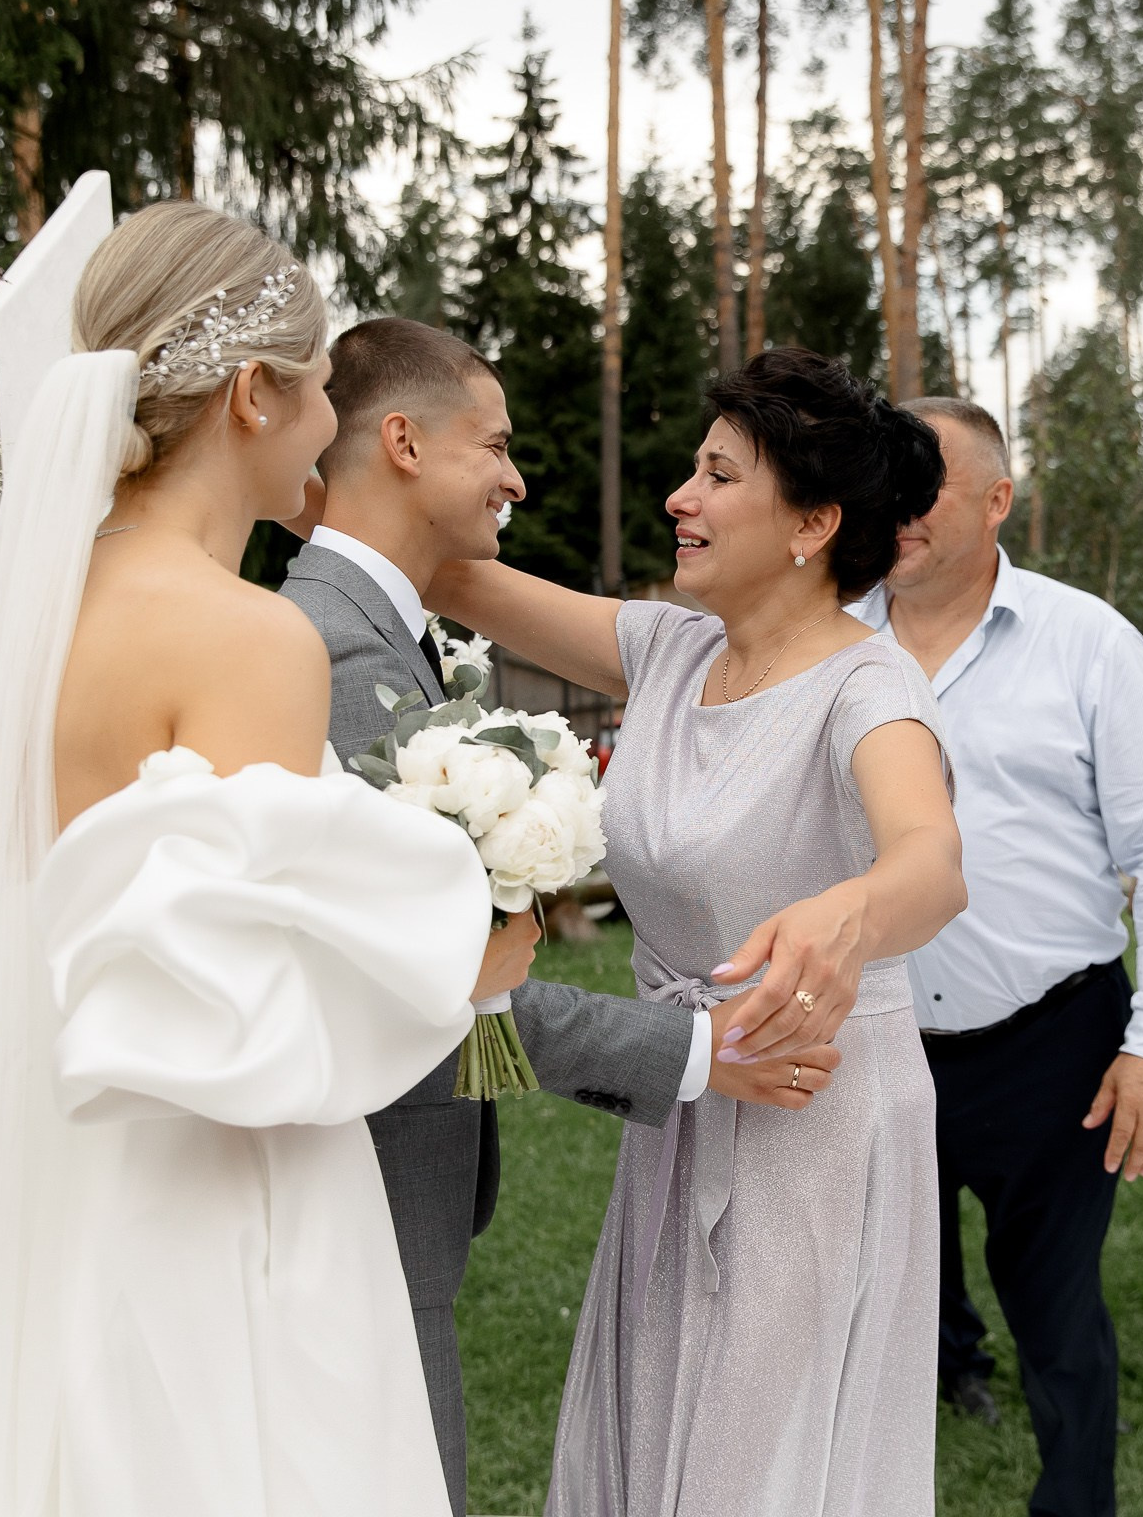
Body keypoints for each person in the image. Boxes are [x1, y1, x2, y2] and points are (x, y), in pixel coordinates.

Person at [0, 203, 517, 1515]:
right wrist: (463, 955)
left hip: (57, 1172)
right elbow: (252, 1008)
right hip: (217, 1189)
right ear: (252, 394)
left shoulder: (39, 607)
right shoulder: (247, 640)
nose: (325, 429)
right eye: (314, 392)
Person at [279, 318, 840, 1514]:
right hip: (356, 1178)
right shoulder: (334, 651)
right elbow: (428, 973)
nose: (518, 476)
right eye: (497, 442)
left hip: (394, 1175)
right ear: (404, 444)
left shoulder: (376, 631)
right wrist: (700, 1052)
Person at [427, 347, 966, 1516]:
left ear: (812, 523)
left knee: (757, 1457)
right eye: (692, 469)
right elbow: (454, 580)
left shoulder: (872, 688)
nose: (681, 496)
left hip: (815, 1108)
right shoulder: (669, 651)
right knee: (659, 1411)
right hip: (689, 1094)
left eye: (719, 474)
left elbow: (932, 864)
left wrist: (846, 912)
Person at [853, 397, 1143, 1517]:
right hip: (867, 1038)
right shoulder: (820, 632)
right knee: (864, 1306)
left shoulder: (1090, 640)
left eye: (925, 487)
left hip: (1052, 1043)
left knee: (1059, 1319)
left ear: (999, 497)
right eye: (883, 484)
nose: (897, 512)